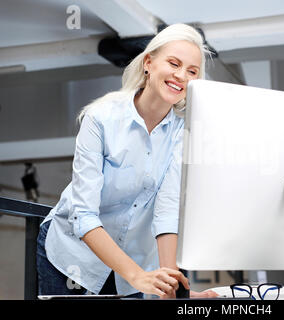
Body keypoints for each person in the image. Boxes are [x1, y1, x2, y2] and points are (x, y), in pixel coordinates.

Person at [37, 23, 218, 299]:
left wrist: (172, 290)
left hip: (133, 263)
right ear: (149, 63)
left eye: (192, 71)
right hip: (73, 256)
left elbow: (167, 212)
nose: (181, 75)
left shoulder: (184, 132)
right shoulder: (100, 119)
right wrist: (137, 276)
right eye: (173, 63)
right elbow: (83, 215)